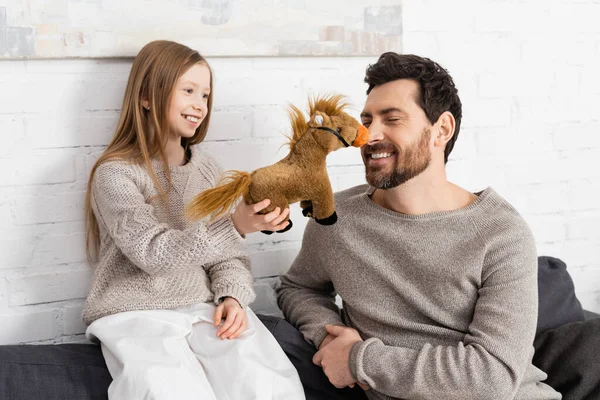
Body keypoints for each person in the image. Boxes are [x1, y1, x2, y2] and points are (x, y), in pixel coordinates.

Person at [276, 52, 561, 400]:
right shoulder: (336, 218)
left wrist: (358, 359)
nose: (368, 135)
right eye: (367, 120)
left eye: (392, 119)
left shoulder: (501, 234)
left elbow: (492, 377)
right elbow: (298, 288)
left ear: (441, 129)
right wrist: (329, 337)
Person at [82, 40, 305, 400]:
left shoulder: (208, 170)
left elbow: (228, 256)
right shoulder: (116, 175)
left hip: (202, 308)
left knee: (268, 382)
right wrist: (235, 225)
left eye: (205, 95)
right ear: (146, 97)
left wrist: (231, 294)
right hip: (135, 311)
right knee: (165, 387)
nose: (199, 106)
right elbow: (153, 252)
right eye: (188, 91)